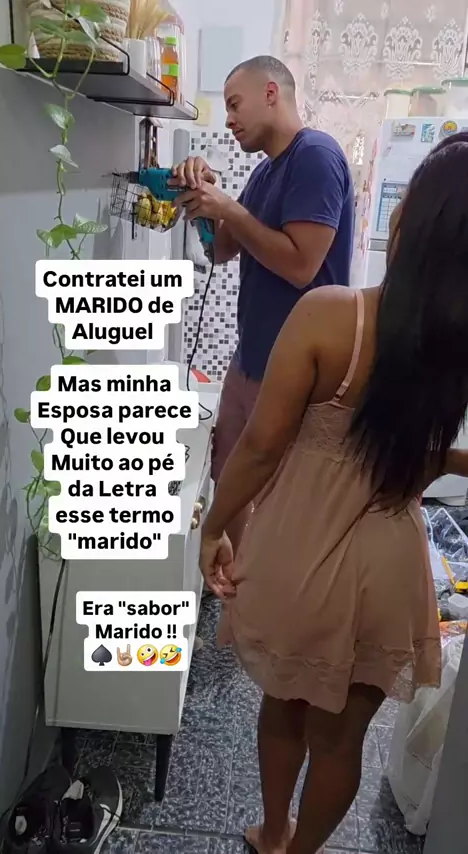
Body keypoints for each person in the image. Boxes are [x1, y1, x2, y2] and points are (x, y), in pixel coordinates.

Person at [198, 134, 468, 854]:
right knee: (342, 740)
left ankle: (271, 832)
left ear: (408, 220)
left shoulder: (332, 314)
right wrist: (444, 458)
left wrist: (214, 526)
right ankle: (301, 852)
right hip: (390, 565)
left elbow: (260, 446)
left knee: (283, 707)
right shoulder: (455, 346)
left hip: (299, 551)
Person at [172, 55, 354, 556]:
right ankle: (238, 583)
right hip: (252, 358)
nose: (229, 119)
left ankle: (265, 590)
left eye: (235, 104)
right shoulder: (264, 173)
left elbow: (301, 266)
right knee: (229, 476)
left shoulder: (315, 156)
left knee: (280, 496)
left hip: (298, 372)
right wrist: (204, 197)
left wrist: (229, 208)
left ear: (271, 93)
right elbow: (222, 249)